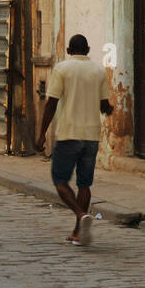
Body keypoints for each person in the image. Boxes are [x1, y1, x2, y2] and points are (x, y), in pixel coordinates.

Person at [36, 34, 113, 245]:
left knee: (60, 181)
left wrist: (41, 133)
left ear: (69, 50)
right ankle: (78, 233)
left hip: (69, 134)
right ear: (88, 49)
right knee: (84, 184)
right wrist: (110, 109)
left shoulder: (62, 68)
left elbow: (51, 103)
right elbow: (104, 105)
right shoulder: (99, 71)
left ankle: (80, 215)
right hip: (91, 136)